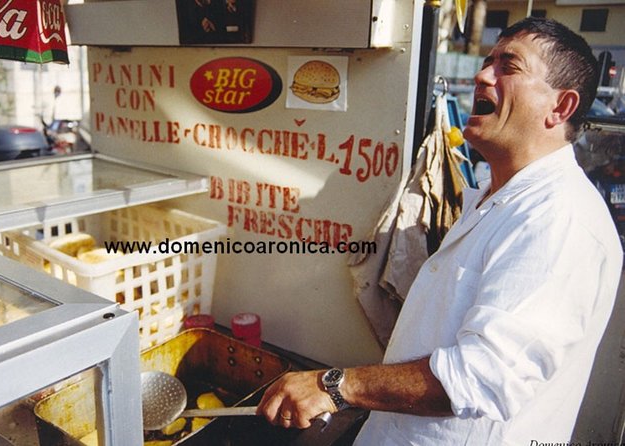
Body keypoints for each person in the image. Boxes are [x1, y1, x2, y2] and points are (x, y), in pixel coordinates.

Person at [256, 17, 623, 445]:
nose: (483, 75)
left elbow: (482, 377)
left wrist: (333, 387)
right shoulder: (494, 195)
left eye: (509, 66)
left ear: (560, 108)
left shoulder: (559, 220)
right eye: (487, 62)